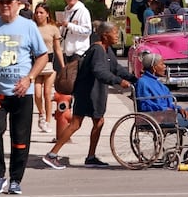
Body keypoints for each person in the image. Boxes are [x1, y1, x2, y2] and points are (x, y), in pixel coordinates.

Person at [0, 0, 48, 195]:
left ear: (18, 4)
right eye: (1, 2)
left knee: (20, 139)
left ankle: (16, 179)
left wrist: (30, 78)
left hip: (22, 93)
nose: (5, 6)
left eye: (9, 2)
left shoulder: (28, 26)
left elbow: (43, 56)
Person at [41, 21, 136, 170]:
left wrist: (133, 78)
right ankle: (51, 155)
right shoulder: (97, 50)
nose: (117, 36)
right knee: (76, 124)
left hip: (95, 92)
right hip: (88, 92)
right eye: (114, 33)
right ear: (105, 35)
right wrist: (118, 81)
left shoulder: (106, 50)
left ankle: (91, 157)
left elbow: (116, 68)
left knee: (98, 122)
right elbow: (99, 71)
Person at [135, 53, 188, 153]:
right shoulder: (143, 82)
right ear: (154, 67)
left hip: (166, 113)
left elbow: (169, 102)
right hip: (155, 116)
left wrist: (179, 109)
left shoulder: (158, 83)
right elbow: (144, 105)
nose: (165, 67)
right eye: (162, 64)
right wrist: (165, 110)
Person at [33, 2, 65, 133]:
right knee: (37, 93)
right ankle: (41, 114)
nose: (39, 15)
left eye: (41, 12)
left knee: (47, 93)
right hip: (36, 64)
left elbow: (58, 49)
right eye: (37, 12)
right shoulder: (32, 27)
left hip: (49, 64)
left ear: (47, 14)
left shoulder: (53, 29)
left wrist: (63, 66)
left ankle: (47, 120)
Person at [59, 0, 92, 64]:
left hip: (79, 52)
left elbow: (87, 31)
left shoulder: (83, 11)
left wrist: (69, 25)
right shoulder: (66, 12)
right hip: (67, 52)